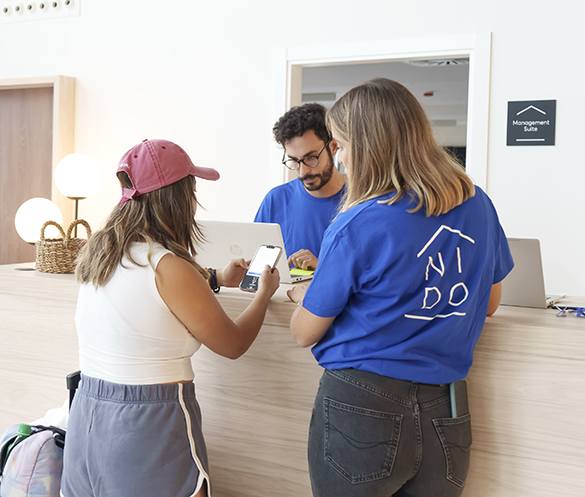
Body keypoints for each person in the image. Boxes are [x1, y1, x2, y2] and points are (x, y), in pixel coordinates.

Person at [287, 78, 513, 497]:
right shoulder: (478, 204)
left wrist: (307, 294)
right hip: (446, 407)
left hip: (362, 405)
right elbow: (490, 303)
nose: (340, 159)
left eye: (340, 144)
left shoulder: (359, 221)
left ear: (369, 144)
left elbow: (303, 333)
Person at [61, 139, 280, 497]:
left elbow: (147, 298)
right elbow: (234, 344)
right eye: (192, 190)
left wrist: (213, 277)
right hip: (146, 425)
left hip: (87, 417)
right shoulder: (169, 267)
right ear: (178, 198)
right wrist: (262, 294)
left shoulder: (100, 252)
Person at [254, 103, 346, 271]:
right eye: (294, 161)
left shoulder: (361, 199)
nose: (303, 171)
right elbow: (257, 269)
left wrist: (322, 269)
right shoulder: (275, 201)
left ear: (333, 147)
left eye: (311, 158)